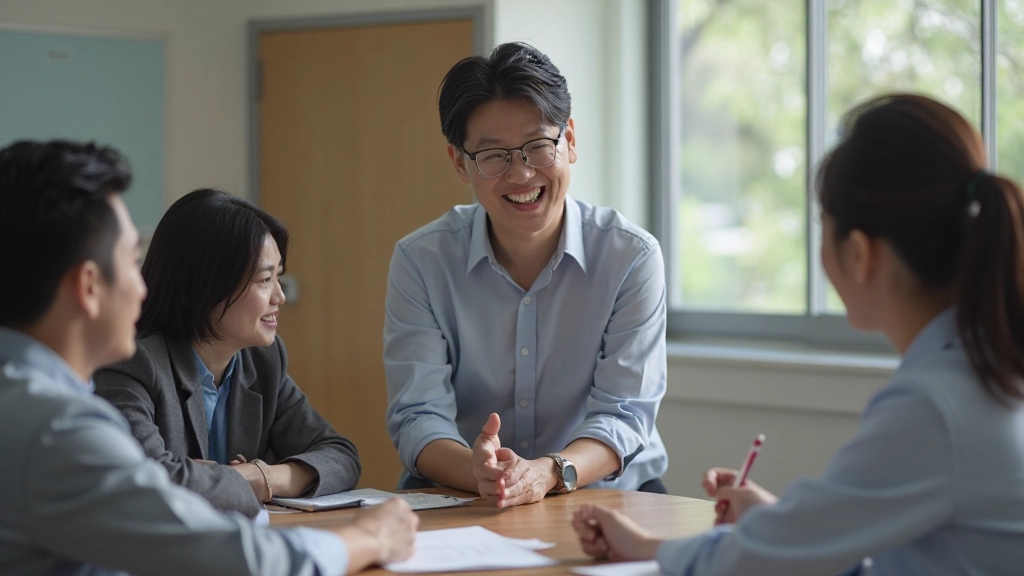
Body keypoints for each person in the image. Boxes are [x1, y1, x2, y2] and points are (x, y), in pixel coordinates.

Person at [572, 94, 1024, 575]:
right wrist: (779, 522)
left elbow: (761, 564)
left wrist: (649, 548)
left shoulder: (934, 408)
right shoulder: (981, 373)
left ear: (858, 253)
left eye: (821, 224)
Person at [0, 140, 417, 575]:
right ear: (89, 287)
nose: (143, 289)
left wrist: (252, 477)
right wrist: (370, 537)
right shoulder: (57, 428)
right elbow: (235, 561)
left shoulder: (33, 399)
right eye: (130, 262)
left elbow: (338, 453)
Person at [383, 42, 669, 508]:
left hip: (602, 489)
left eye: (539, 146)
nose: (521, 174)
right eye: (494, 156)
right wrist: (483, 474)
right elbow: (418, 414)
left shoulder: (631, 257)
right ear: (460, 162)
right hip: (464, 489)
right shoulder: (421, 260)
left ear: (570, 141)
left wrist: (548, 472)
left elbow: (624, 413)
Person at [94, 188, 360, 519]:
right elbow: (147, 482)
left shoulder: (263, 361)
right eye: (264, 279)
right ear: (202, 287)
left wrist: (260, 477)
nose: (279, 296)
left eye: (278, 276)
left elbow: (341, 456)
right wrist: (243, 482)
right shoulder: (133, 363)